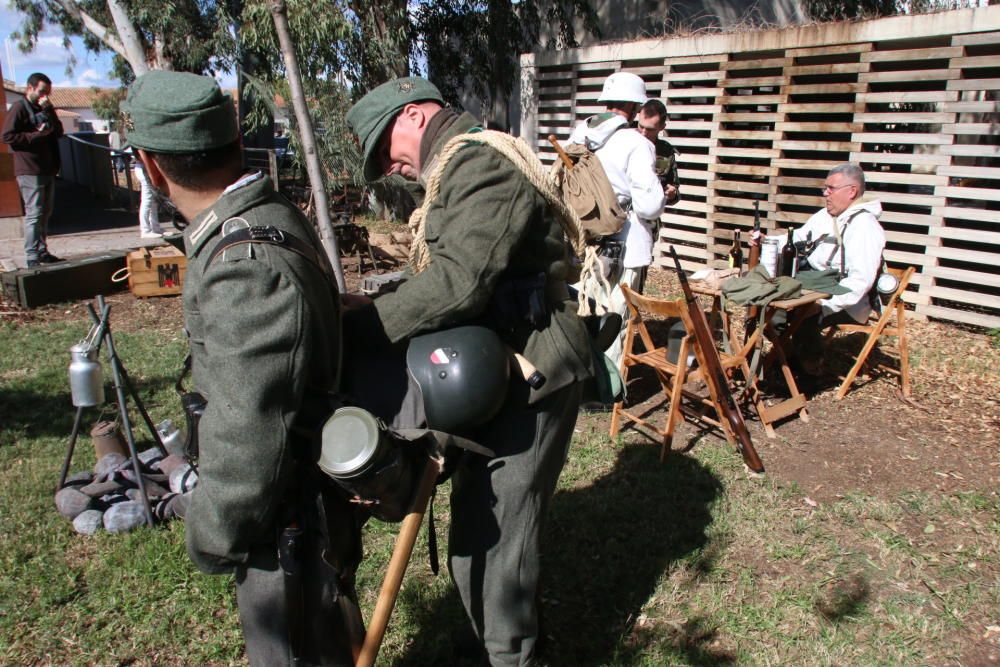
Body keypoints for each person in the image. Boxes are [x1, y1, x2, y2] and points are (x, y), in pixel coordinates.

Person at [345, 76, 593, 666]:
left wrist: (358, 331)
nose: (390, 167)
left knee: (502, 535)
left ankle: (511, 655)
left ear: (413, 115)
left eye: (385, 149)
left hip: (533, 366)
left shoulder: (480, 162)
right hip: (490, 364)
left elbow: (459, 282)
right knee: (480, 521)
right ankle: (489, 638)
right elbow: (455, 268)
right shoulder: (459, 166)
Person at [122, 70, 364, 666]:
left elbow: (251, 427)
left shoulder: (244, 261)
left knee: (296, 650)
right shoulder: (264, 214)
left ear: (152, 167)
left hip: (282, 520)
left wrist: (212, 530)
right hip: (296, 505)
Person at [565, 72, 665, 368]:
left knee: (588, 305)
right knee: (617, 315)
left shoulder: (579, 135)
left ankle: (582, 373)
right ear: (635, 107)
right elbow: (649, 206)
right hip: (625, 243)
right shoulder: (636, 144)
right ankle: (606, 387)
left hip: (584, 236)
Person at [752, 163, 886, 375]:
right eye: (825, 188)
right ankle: (787, 355)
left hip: (845, 300)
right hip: (814, 282)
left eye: (831, 188)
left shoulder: (865, 227)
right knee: (762, 302)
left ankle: (810, 370)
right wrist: (769, 242)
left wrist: (823, 305)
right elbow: (797, 237)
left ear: (852, 191)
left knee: (801, 311)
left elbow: (860, 282)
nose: (826, 193)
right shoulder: (825, 216)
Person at [2, 72, 65, 267]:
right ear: (29, 88)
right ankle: (31, 255)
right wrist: (36, 136)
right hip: (29, 169)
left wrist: (50, 110)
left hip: (47, 168)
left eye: (47, 93)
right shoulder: (19, 108)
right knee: (34, 213)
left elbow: (58, 132)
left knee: (45, 212)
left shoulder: (44, 108)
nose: (44, 96)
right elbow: (8, 136)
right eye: (41, 92)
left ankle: (42, 250)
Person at [635, 99, 680, 208]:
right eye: (641, 126)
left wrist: (672, 194)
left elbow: (674, 188)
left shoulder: (666, 151)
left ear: (662, 127)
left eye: (650, 129)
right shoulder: (623, 141)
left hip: (649, 216)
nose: (643, 133)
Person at [132, 151, 164, 238]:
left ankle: (155, 228)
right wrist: (151, 174)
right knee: (147, 200)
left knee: (153, 201)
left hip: (144, 167)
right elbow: (143, 157)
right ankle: (145, 230)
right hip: (143, 168)